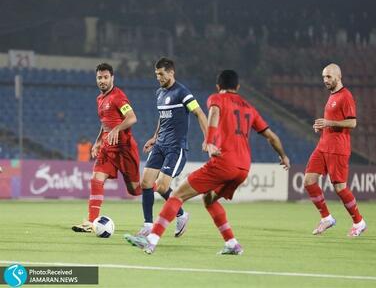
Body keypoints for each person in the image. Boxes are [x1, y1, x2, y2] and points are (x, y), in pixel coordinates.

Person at [124, 69, 290, 254]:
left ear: (218, 86)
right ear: (238, 87)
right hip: (243, 167)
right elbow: (271, 136)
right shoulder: (249, 108)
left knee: (176, 195)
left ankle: (151, 240)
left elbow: (213, 114)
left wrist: (210, 141)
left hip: (223, 162)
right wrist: (283, 156)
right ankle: (232, 244)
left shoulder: (216, 99)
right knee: (209, 199)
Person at [137, 57, 208, 238]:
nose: (158, 78)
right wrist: (154, 137)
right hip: (160, 145)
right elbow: (163, 117)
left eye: (161, 74)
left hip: (175, 148)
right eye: (156, 74)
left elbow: (199, 113)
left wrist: (208, 138)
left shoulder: (182, 93)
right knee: (145, 183)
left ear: (171, 72)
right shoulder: (159, 93)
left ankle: (182, 215)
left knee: (161, 187)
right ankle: (147, 225)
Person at [72, 63, 142, 232]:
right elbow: (104, 124)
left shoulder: (118, 97)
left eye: (105, 77)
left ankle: (159, 186)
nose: (102, 81)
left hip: (124, 149)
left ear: (112, 78)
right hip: (107, 148)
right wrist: (97, 142)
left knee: (135, 190)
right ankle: (91, 222)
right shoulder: (100, 99)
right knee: (96, 180)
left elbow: (132, 118)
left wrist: (117, 129)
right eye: (99, 77)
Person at [304, 63, 366, 237]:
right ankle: (326, 218)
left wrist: (329, 123)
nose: (325, 80)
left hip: (338, 148)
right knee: (309, 181)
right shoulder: (332, 95)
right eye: (324, 77)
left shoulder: (346, 96)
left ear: (338, 76)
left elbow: (352, 122)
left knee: (340, 188)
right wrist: (321, 126)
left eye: (329, 76)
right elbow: (331, 121)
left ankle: (359, 222)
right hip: (323, 146)